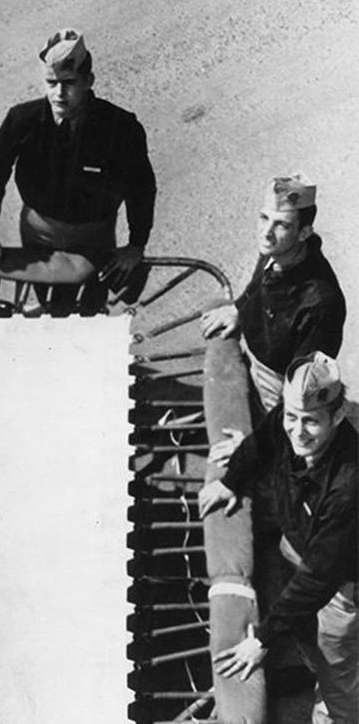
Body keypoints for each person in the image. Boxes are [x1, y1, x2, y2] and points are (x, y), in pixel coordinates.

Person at [199, 352, 357, 723]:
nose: (298, 432)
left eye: (312, 422)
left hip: (340, 584)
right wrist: (231, 480)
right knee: (307, 633)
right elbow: (264, 441)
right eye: (292, 417)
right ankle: (310, 662)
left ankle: (340, 714)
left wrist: (262, 639)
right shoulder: (289, 420)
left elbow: (320, 576)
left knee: (339, 669)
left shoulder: (349, 485)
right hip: (300, 547)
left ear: (336, 416)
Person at [0, 28, 157, 314]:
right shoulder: (22, 120)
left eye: (68, 83)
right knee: (52, 305)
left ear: (88, 81)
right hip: (39, 234)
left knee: (91, 307)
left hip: (94, 238)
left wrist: (136, 246)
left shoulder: (121, 127)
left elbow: (141, 188)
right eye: (51, 83)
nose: (59, 93)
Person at [201, 174, 346, 414]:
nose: (266, 232)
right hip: (254, 351)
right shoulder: (278, 248)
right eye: (264, 217)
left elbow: (302, 393)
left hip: (279, 386)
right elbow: (259, 282)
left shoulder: (321, 303)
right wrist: (239, 309)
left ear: (304, 232)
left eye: (282, 224)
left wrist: (256, 443)